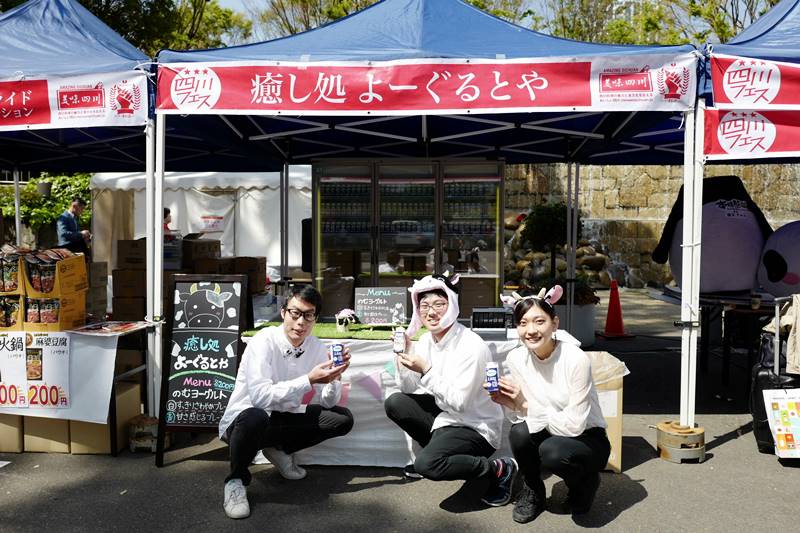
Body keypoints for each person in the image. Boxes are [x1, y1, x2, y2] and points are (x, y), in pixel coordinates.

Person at [218, 285, 354, 519]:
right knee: (255, 416)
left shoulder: (316, 346)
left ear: (315, 319)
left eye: (308, 315)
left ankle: (278, 449)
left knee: (341, 419)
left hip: (283, 417)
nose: (301, 322)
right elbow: (260, 398)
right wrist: (309, 380)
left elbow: (328, 402)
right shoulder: (263, 341)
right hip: (243, 421)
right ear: (283, 313)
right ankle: (236, 481)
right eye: (295, 313)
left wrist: (335, 378)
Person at [383, 273, 516, 507]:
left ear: (452, 305)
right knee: (396, 402)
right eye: (424, 306)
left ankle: (498, 468)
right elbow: (408, 387)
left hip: (475, 425)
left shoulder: (471, 346)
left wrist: (426, 370)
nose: (431, 312)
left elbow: (460, 404)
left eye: (439, 304)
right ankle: (438, 453)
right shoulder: (426, 341)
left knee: (427, 465)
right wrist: (403, 355)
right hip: (446, 417)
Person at [489, 286, 610, 523]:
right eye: (523, 323)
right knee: (519, 433)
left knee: (552, 452)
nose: (531, 330)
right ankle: (533, 490)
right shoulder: (516, 358)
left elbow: (574, 425)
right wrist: (510, 403)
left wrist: (524, 405)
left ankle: (584, 482)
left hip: (587, 437)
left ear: (554, 324)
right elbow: (522, 416)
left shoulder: (575, 359)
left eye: (539, 321)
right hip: (549, 428)